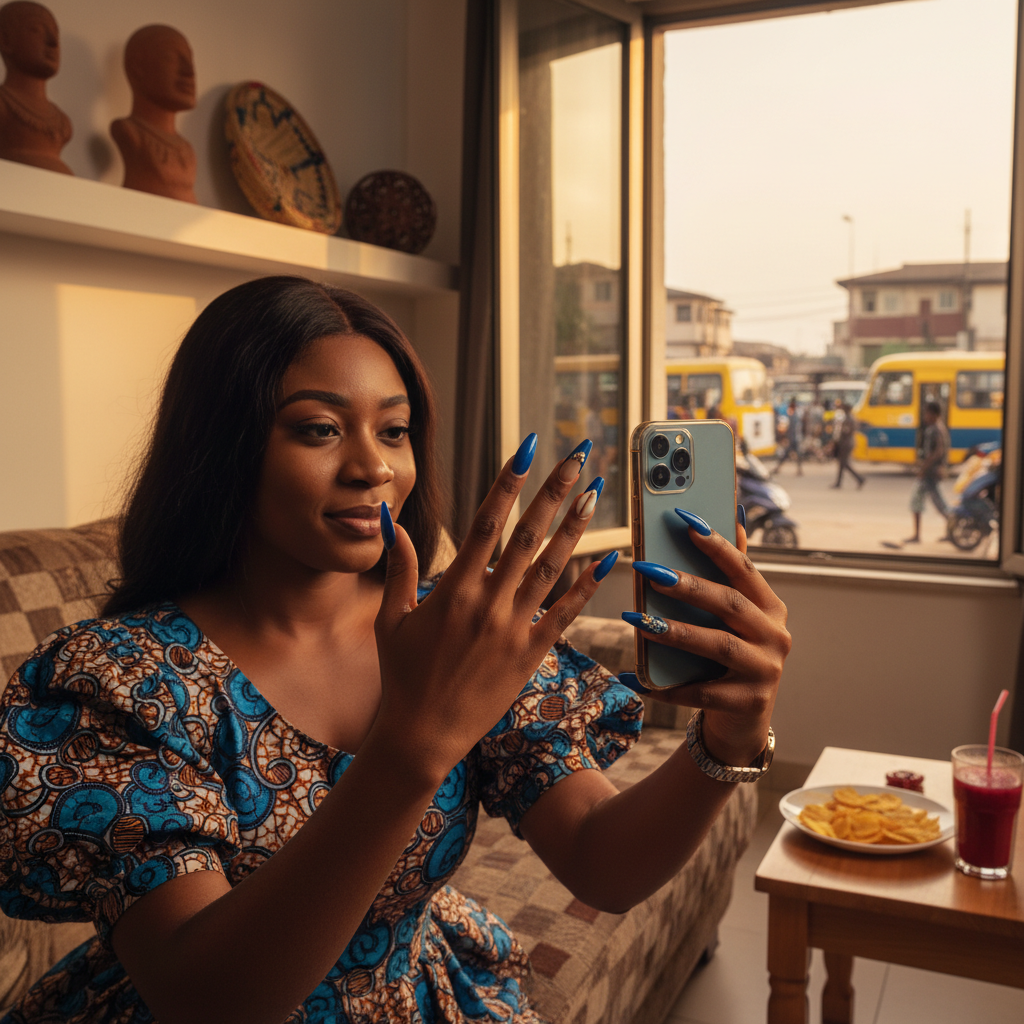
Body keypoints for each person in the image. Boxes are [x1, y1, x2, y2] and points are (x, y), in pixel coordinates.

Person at [0, 277, 789, 1024]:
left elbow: (600, 862)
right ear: (222, 446)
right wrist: (414, 744)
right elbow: (208, 1000)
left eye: (395, 430)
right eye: (319, 428)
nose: (373, 466)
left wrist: (730, 739)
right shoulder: (121, 678)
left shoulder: (453, 630)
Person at [110, 24, 197, 202]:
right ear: (137, 68)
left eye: (190, 59)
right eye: (171, 58)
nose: (189, 72)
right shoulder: (129, 132)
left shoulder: (186, 147)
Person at [0, 1, 72, 174]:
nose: (53, 42)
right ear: (5, 41)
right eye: (36, 30)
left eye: (56, 33)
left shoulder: (62, 120)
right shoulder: (4, 106)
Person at [904, 400, 951, 544]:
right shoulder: (940, 428)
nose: (925, 416)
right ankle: (952, 530)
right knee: (938, 503)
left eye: (927, 412)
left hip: (929, 473)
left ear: (933, 414)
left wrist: (923, 468)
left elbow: (937, 451)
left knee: (920, 502)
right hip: (932, 472)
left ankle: (917, 536)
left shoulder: (934, 429)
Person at [830, 402, 864, 489]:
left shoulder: (849, 419)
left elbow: (846, 431)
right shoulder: (850, 418)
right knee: (842, 464)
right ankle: (839, 483)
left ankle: (859, 479)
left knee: (844, 464)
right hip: (847, 443)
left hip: (846, 443)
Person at [772, 398, 803, 476]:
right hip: (796, 438)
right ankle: (799, 470)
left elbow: (791, 428)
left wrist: (787, 437)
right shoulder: (797, 414)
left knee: (785, 455)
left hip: (793, 439)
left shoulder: (793, 415)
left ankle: (778, 468)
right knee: (794, 454)